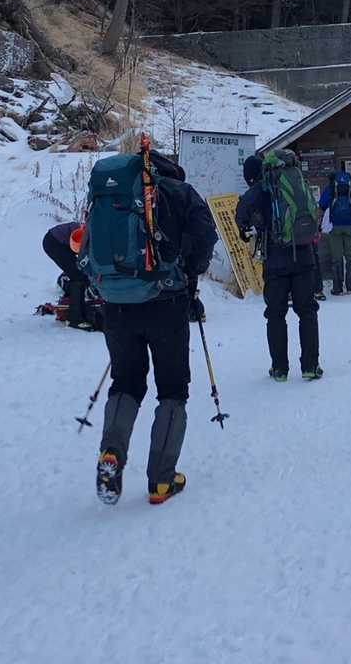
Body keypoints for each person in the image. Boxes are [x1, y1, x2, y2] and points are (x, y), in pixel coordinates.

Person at [83, 149, 217, 506]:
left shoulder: (111, 193)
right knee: (172, 390)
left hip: (116, 303)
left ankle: (111, 453)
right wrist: (190, 272)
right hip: (166, 303)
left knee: (125, 382)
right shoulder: (179, 192)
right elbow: (206, 236)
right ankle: (161, 480)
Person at [237, 153, 322, 382]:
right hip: (304, 254)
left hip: (275, 259)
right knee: (307, 311)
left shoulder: (262, 187)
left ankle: (279, 369)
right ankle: (310, 366)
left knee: (276, 314)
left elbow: (242, 211)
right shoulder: (294, 179)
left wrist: (246, 229)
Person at [42, 221, 101, 330]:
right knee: (78, 277)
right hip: (54, 242)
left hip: (61, 241)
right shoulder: (93, 236)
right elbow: (86, 260)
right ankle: (75, 319)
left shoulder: (98, 234)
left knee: (78, 274)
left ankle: (70, 301)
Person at [318, 169, 351, 295]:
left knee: (337, 258)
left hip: (335, 227)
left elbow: (322, 204)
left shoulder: (331, 188)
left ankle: (337, 288)